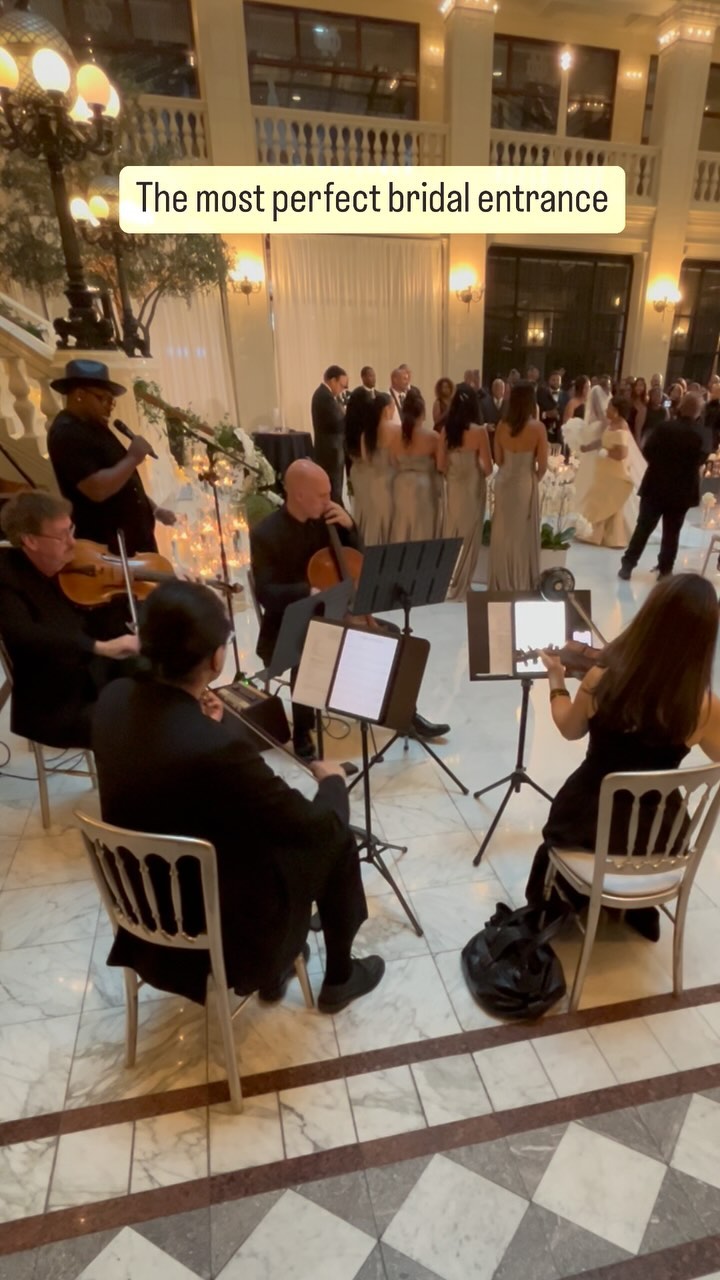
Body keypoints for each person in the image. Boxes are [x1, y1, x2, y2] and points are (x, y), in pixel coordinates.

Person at [92, 579, 385, 1012]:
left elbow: (180, 766)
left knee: (277, 834)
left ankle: (293, 965)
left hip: (143, 913)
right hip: (220, 934)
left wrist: (205, 725)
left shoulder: (113, 699)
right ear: (215, 659)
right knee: (335, 835)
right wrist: (332, 782)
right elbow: (312, 827)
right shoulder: (217, 750)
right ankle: (338, 975)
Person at [526, 574, 720, 942]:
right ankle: (637, 908)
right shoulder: (704, 706)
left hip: (586, 825)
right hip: (657, 839)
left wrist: (555, 679)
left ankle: (566, 899)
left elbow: (569, 728)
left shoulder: (601, 677)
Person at [250, 460, 448, 757]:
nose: (329, 501)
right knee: (310, 650)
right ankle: (302, 730)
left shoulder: (329, 520)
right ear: (299, 495)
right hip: (289, 624)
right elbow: (266, 592)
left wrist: (350, 527)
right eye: (321, 495)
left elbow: (358, 562)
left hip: (337, 612)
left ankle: (407, 715)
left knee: (392, 636)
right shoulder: (266, 534)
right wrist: (310, 591)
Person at [0, 492, 138, 747]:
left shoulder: (66, 568)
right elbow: (24, 635)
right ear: (30, 540)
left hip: (98, 677)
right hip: (58, 703)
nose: (73, 543)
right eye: (62, 536)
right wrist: (99, 646)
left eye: (71, 530)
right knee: (142, 722)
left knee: (169, 685)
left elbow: (99, 618)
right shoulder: (6, 577)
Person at [47, 360, 174, 556]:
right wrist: (133, 457)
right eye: (103, 399)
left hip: (135, 542)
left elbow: (121, 480)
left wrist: (154, 509)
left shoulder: (96, 427)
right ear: (79, 395)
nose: (109, 407)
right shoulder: (67, 433)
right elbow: (96, 488)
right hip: (109, 547)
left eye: (111, 401)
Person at [619, 391, 707, 580]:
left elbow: (648, 451)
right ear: (698, 412)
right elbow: (701, 459)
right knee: (672, 533)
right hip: (682, 490)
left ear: (681, 407)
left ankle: (628, 565)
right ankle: (665, 569)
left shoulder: (664, 428)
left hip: (655, 486)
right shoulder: (700, 434)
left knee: (643, 527)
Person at [488, 382, 548, 591]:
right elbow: (543, 465)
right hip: (524, 482)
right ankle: (519, 579)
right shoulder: (538, 428)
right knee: (520, 533)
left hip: (504, 481)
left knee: (502, 531)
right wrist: (531, 480)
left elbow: (499, 459)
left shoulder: (502, 425)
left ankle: (500, 579)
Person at [439, 383, 492, 599]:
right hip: (472, 487)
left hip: (453, 487)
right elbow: (488, 468)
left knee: (451, 532)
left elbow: (441, 465)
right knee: (470, 535)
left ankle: (447, 580)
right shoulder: (479, 432)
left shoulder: (446, 430)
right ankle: (462, 584)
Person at [576, 396, 636, 548]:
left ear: (616, 411)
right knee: (603, 500)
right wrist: (588, 447)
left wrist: (605, 453)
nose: (606, 409)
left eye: (609, 407)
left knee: (605, 501)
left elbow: (622, 453)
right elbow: (603, 441)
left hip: (614, 473)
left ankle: (599, 535)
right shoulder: (612, 424)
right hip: (605, 472)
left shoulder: (621, 426)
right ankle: (604, 536)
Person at [389, 388, 442, 542]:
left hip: (401, 485)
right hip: (424, 488)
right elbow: (441, 466)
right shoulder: (432, 437)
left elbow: (393, 462)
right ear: (423, 413)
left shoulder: (395, 437)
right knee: (423, 528)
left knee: (401, 526)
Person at [346, 392, 397, 545]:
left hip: (365, 475)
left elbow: (365, 458)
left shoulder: (362, 431)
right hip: (382, 479)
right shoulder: (392, 430)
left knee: (366, 514)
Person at [310, 365, 349, 502]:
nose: (343, 389)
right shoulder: (324, 396)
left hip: (332, 450)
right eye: (342, 385)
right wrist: (346, 415)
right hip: (330, 451)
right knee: (333, 490)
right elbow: (338, 423)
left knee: (335, 488)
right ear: (333, 380)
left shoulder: (328, 396)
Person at [536, 370, 564, 445]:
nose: (555, 382)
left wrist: (559, 416)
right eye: (553, 380)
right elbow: (536, 410)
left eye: (558, 380)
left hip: (559, 434)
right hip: (544, 431)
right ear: (549, 381)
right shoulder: (540, 394)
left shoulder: (565, 396)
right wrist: (546, 414)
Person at [628, 376, 648, 441]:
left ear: (644, 388)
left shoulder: (643, 406)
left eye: (641, 385)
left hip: (632, 436)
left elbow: (638, 430)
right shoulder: (629, 401)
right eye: (637, 385)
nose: (638, 387)